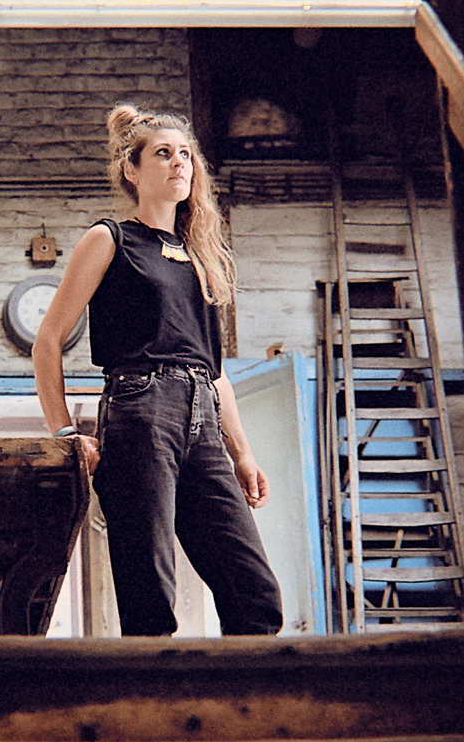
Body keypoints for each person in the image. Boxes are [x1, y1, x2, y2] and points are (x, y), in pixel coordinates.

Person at [32, 105, 284, 637]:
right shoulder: (111, 239)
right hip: (140, 411)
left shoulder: (200, 256)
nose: (179, 164)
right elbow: (48, 340)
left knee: (255, 593)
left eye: (185, 154)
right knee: (149, 592)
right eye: (163, 154)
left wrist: (242, 452)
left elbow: (213, 370)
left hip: (204, 418)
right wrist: (63, 432)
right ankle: (153, 688)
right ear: (132, 169)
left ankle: (247, 690)